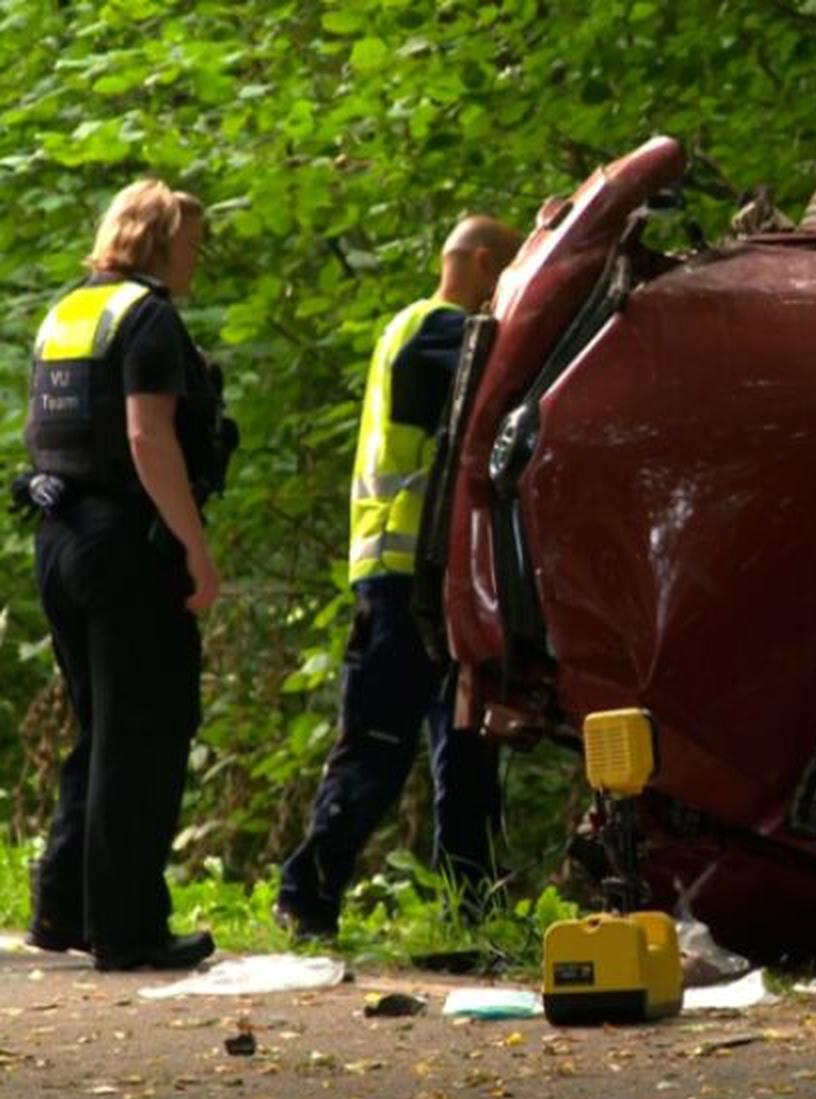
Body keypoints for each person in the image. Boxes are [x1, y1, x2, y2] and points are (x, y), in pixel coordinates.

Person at [277, 216, 523, 942]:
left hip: (432, 578)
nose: (507, 294)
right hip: (400, 577)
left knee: (468, 745)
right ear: (481, 265)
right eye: (507, 277)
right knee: (381, 747)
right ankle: (305, 896)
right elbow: (517, 371)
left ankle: (471, 910)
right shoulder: (437, 333)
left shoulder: (423, 332)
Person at [21, 179, 236, 971]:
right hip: (125, 544)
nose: (197, 258)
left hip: (61, 538)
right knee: (145, 732)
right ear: (157, 241)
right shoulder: (147, 318)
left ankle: (64, 908)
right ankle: (130, 927)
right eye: (191, 243)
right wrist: (194, 550)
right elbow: (149, 438)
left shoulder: (70, 311)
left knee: (102, 728)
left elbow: (46, 428)